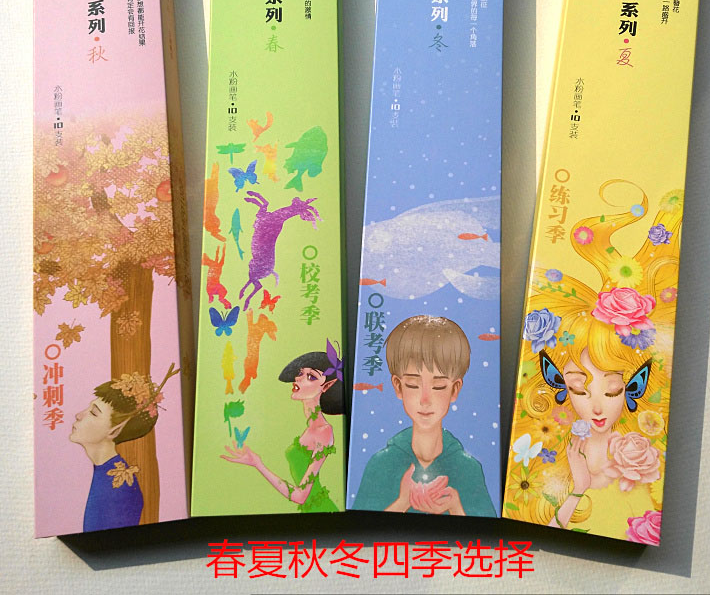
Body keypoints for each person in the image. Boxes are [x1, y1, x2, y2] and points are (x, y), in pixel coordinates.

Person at [505, 180, 678, 544]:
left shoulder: (644, 455)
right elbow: (538, 525)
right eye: (579, 388)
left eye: (613, 389)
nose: (597, 406)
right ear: (558, 383)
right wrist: (578, 486)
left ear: (635, 386)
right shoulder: (557, 450)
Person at [353, 315, 497, 516]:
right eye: (413, 385)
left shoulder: (468, 468)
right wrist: (403, 502)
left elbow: (487, 531)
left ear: (455, 389)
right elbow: (359, 526)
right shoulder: (381, 464)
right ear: (398, 386)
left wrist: (454, 505)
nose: (425, 400)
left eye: (438, 386)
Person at [221, 343, 343, 512]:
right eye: (300, 373)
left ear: (327, 386)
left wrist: (258, 464)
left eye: (311, 376)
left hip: (319, 510)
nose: (298, 378)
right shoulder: (310, 427)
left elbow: (300, 496)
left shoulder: (324, 431)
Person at [69, 364, 178, 532]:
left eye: (93, 413)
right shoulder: (103, 472)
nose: (78, 415)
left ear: (115, 430)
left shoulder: (119, 487)